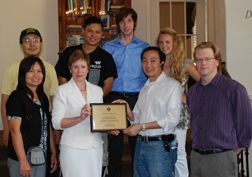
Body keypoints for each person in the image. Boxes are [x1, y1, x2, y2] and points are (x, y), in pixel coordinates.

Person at [55, 16, 117, 169]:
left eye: (97, 32)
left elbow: (107, 88)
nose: (93, 35)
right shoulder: (69, 53)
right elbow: (61, 79)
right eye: (90, 31)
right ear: (83, 31)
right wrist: (72, 94)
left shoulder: (106, 58)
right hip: (72, 142)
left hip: (94, 142)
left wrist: (103, 119)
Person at [112, 47, 182, 177]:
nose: (148, 65)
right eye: (144, 61)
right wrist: (127, 108)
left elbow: (172, 119)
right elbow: (136, 118)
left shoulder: (172, 86)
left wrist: (142, 126)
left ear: (161, 62)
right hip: (141, 145)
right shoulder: (145, 88)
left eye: (153, 60)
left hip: (160, 147)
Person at [187, 41, 252, 177]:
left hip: (222, 159)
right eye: (199, 59)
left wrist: (229, 154)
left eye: (207, 59)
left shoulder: (234, 89)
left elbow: (246, 128)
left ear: (217, 62)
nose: (203, 63)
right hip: (197, 158)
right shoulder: (192, 92)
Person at [102, 7, 149, 177]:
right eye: (122, 21)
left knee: (137, 147)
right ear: (118, 24)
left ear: (135, 23)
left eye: (129, 20)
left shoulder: (145, 47)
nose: (126, 25)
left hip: (137, 99)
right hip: (114, 98)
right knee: (115, 149)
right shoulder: (108, 48)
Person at [1, 28, 59, 147]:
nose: (32, 44)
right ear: (21, 45)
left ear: (41, 44)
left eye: (35, 40)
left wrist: (56, 128)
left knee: (43, 160)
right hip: (18, 125)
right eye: (27, 40)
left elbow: (54, 100)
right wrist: (6, 129)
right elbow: (4, 102)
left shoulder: (49, 68)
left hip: (43, 124)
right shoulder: (12, 69)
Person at [52, 50, 104, 177]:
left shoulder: (97, 91)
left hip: (95, 147)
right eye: (75, 67)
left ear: (88, 69)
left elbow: (100, 119)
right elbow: (56, 123)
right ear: (70, 69)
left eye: (83, 67)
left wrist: (110, 128)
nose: (79, 71)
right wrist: (79, 118)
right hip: (72, 147)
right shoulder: (61, 91)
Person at [157, 27, 200, 177]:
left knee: (179, 151)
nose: (164, 45)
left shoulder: (185, 64)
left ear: (175, 43)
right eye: (161, 42)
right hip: (160, 113)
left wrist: (187, 98)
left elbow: (204, 83)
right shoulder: (158, 63)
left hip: (179, 115)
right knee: (164, 151)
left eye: (167, 42)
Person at [6, 57, 58, 177]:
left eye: (39, 71)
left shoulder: (42, 97)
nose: (36, 74)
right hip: (21, 159)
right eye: (31, 71)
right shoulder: (16, 97)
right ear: (23, 73)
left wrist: (53, 153)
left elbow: (47, 126)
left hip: (41, 158)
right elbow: (14, 130)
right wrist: (23, 160)